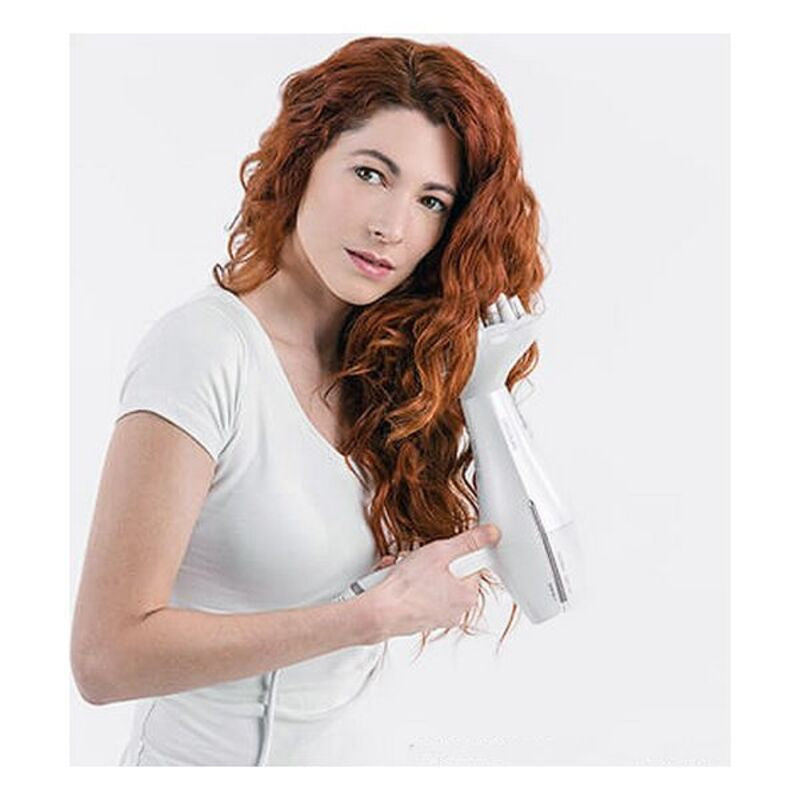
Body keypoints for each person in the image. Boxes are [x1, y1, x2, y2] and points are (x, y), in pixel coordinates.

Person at [70, 35, 547, 766]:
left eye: (431, 201)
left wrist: (485, 395)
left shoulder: (385, 370)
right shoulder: (204, 351)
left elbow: (546, 587)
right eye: (370, 173)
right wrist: (366, 617)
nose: (391, 227)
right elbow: (105, 659)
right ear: (304, 160)